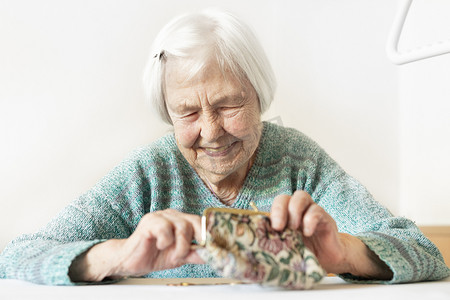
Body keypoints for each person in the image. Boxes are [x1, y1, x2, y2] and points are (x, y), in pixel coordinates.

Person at [0, 9, 449, 286]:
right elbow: (16, 256)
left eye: (228, 104)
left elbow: (424, 252)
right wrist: (116, 255)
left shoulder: (298, 162)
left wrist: (343, 253)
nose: (211, 132)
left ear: (259, 95)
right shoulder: (149, 173)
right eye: (188, 113)